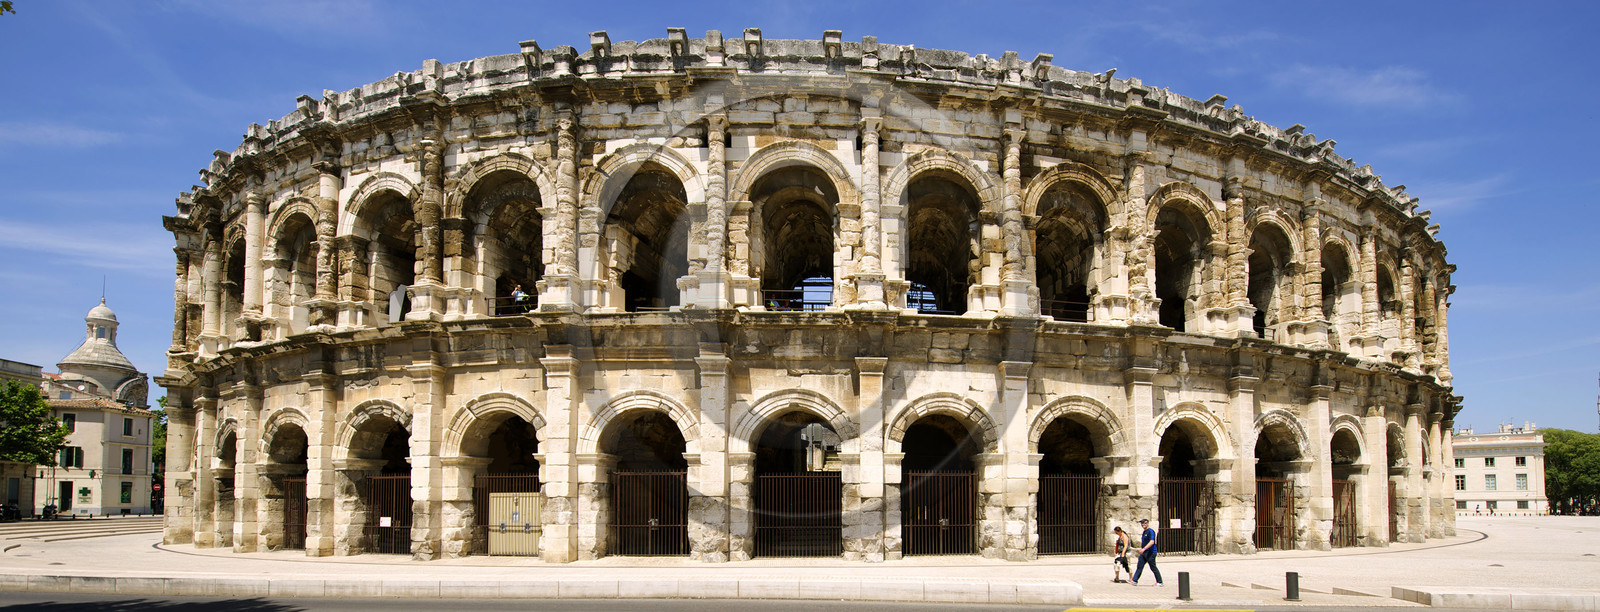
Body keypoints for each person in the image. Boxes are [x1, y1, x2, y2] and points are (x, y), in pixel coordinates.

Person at [1131, 517, 1163, 587]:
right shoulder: (1144, 532)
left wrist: (1144, 549)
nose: (1143, 524)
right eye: (1142, 523)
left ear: (1148, 523)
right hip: (1144, 553)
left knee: (1153, 567)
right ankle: (1135, 580)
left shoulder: (1150, 531)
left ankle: (1160, 581)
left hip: (1150, 552)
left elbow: (1152, 542)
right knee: (1140, 566)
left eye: (1144, 523)